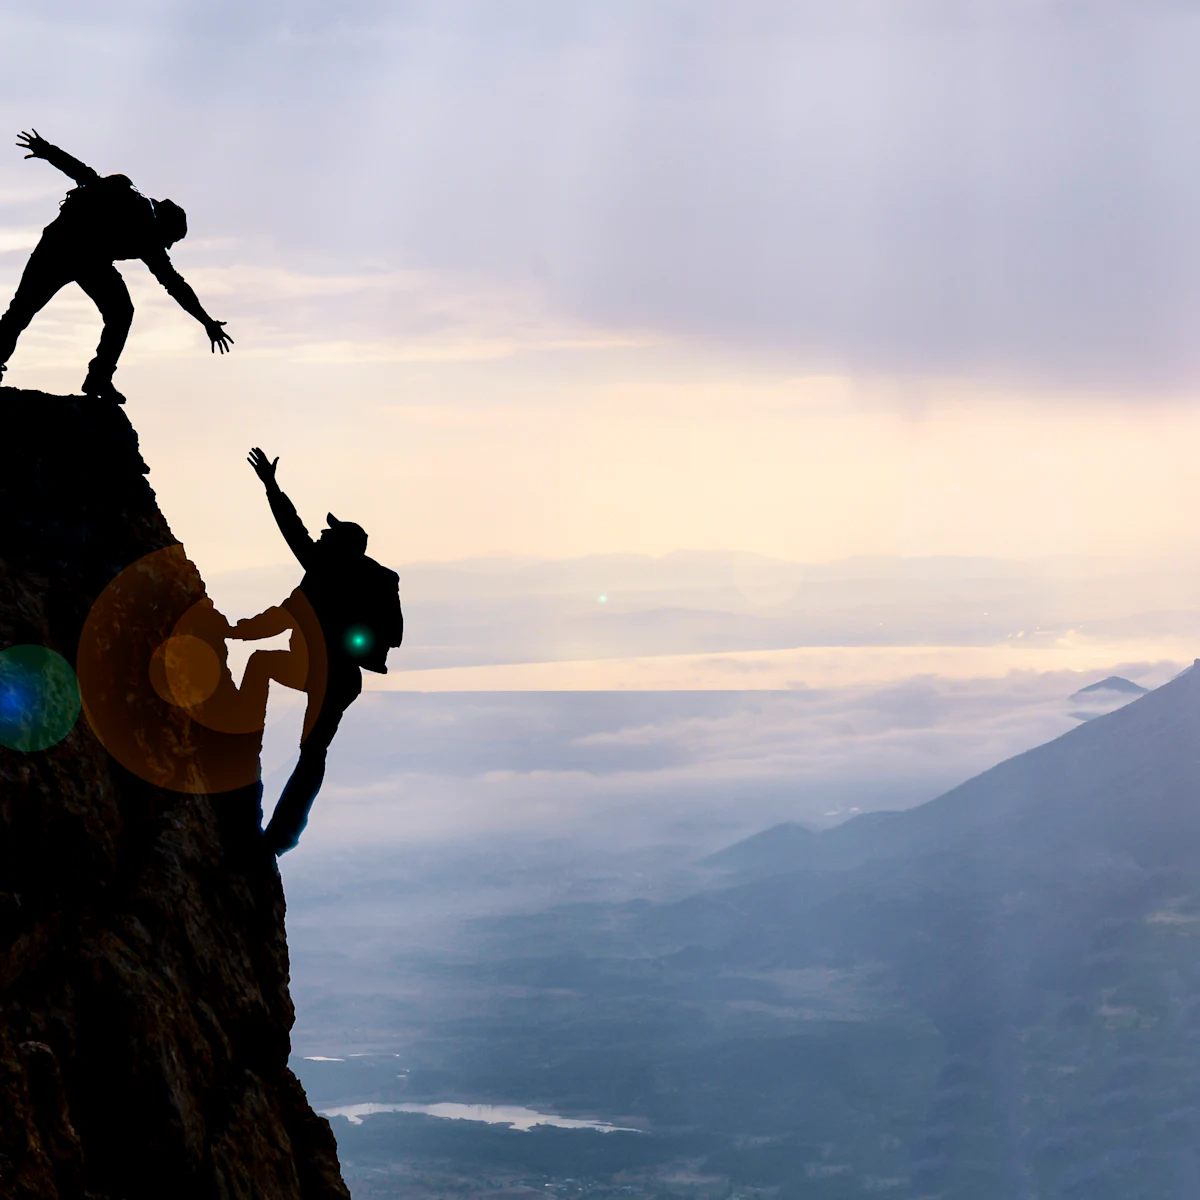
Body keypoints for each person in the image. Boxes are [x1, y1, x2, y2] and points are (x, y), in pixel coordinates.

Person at [238, 447, 403, 855]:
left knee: (311, 751)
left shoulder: (331, 569)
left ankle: (279, 833)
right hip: (329, 673)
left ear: (343, 547)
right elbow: (293, 529)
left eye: (329, 534)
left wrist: (272, 487)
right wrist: (272, 486)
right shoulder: (334, 567)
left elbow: (291, 528)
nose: (321, 535)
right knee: (310, 748)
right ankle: (279, 832)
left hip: (332, 675)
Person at [0, 129, 233, 403]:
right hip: (61, 248)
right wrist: (49, 151)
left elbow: (175, 284)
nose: (166, 246)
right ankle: (95, 377)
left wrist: (206, 321)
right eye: (169, 239)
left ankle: (99, 378)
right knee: (23, 310)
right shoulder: (130, 204)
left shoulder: (151, 240)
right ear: (164, 225)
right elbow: (85, 175)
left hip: (86, 259)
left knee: (119, 312)